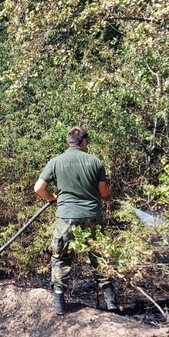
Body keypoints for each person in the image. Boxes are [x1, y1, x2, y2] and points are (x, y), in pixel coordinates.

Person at [34, 127, 116, 315]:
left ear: (68, 142)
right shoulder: (95, 162)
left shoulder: (56, 161)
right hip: (92, 216)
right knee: (99, 256)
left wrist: (51, 198)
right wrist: (110, 196)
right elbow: (105, 194)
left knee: (61, 257)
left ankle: (59, 303)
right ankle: (110, 301)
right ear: (84, 142)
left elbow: (38, 188)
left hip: (66, 217)